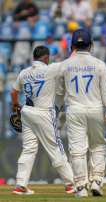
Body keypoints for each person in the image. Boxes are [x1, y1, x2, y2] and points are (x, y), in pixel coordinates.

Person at [57, 29, 106, 197]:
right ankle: (97, 181)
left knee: (77, 150)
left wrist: (55, 113)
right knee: (98, 145)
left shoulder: (65, 64)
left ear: (72, 45)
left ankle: (81, 187)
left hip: (74, 110)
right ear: (91, 45)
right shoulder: (99, 64)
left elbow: (59, 94)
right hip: (95, 109)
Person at [11, 46, 74, 195]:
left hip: (27, 112)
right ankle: (71, 184)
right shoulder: (51, 69)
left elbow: (14, 92)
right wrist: (76, 48)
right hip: (44, 112)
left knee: (28, 149)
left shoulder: (24, 72)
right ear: (46, 58)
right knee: (55, 148)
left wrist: (15, 107)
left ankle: (20, 184)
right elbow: (71, 62)